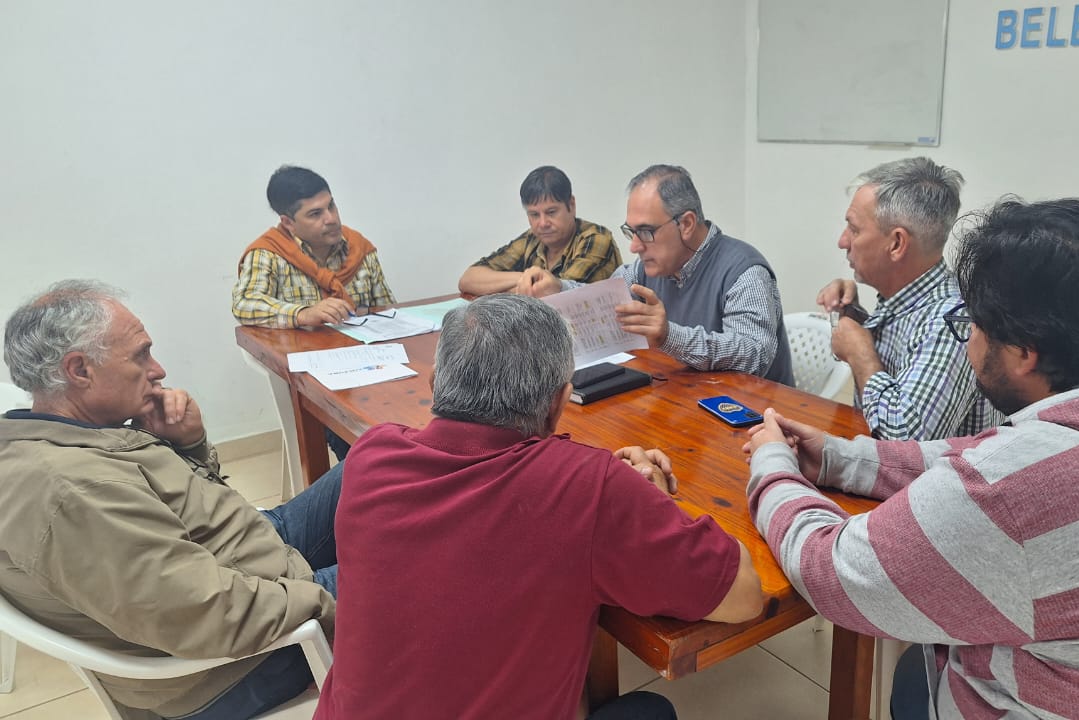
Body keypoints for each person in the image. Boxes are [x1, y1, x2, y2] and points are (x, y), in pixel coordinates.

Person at [745, 199, 1079, 718]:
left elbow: (836, 571)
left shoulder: (1016, 490)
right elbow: (999, 455)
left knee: (916, 674)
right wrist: (846, 459)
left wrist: (773, 468)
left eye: (973, 328)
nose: (970, 341)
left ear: (1026, 352)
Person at [316, 294, 764, 720]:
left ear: (435, 386)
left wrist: (612, 489)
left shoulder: (371, 455)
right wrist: (644, 500)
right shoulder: (590, 490)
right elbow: (744, 596)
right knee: (653, 710)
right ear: (560, 404)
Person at [0, 280, 342, 720]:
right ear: (79, 370)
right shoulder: (71, 491)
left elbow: (182, 514)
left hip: (247, 558)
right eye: (140, 355)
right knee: (436, 564)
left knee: (385, 455)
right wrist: (324, 597)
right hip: (238, 664)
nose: (158, 369)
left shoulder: (63, 432)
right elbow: (206, 615)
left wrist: (188, 445)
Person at [535, 164, 793, 385]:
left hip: (755, 420)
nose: (634, 246)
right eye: (631, 232)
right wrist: (559, 289)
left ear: (687, 224)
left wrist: (669, 336)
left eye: (646, 231)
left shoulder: (744, 272)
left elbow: (755, 356)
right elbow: (604, 300)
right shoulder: (645, 267)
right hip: (685, 400)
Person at [816, 157, 1000, 440]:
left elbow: (905, 446)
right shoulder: (908, 298)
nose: (843, 241)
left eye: (854, 229)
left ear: (897, 244)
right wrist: (856, 317)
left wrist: (861, 355)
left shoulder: (951, 322)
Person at [232, 165, 396, 329]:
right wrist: (303, 314)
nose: (331, 219)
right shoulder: (269, 253)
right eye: (315, 214)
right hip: (300, 351)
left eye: (331, 206)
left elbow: (388, 311)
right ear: (288, 223)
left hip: (364, 350)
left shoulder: (359, 248)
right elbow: (244, 304)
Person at [458, 165, 622, 297]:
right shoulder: (533, 239)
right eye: (534, 214)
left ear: (571, 205)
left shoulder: (596, 238)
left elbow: (558, 297)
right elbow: (469, 278)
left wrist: (512, 287)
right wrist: (525, 278)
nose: (542, 223)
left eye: (551, 212)